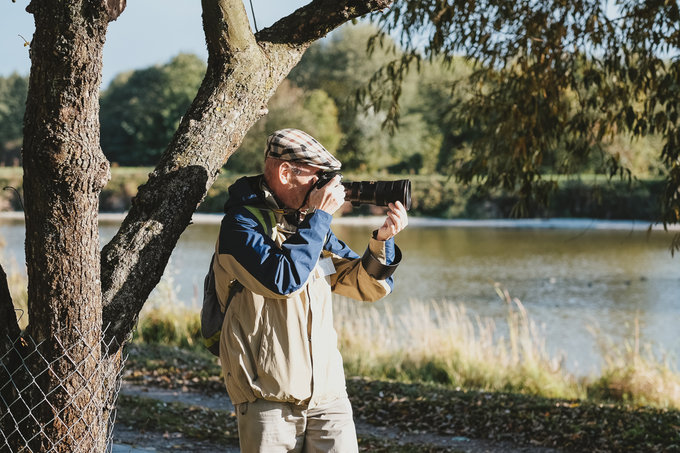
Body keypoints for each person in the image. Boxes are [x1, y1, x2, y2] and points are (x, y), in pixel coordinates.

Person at [213, 128, 407, 452]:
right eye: (317, 179)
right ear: (286, 172)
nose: (324, 188)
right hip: (267, 400)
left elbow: (365, 285)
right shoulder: (241, 226)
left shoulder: (310, 226)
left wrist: (382, 241)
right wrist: (318, 217)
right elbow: (282, 281)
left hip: (328, 397)